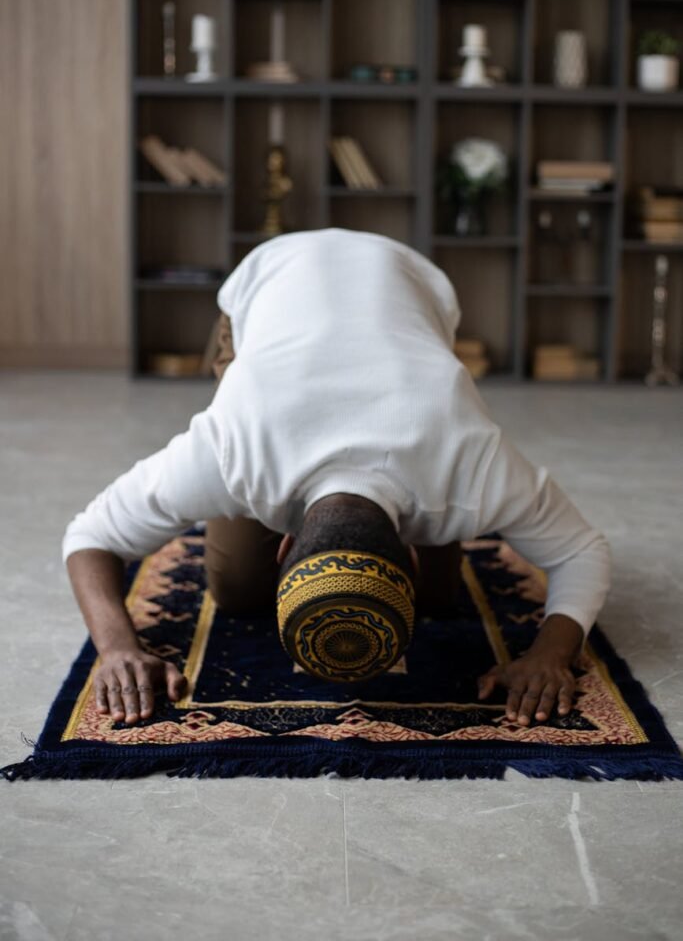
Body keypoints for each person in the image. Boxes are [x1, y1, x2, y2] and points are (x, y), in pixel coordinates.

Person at [63, 228, 610, 730]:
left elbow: (583, 550)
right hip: (267, 279)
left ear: (284, 548)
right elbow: (89, 538)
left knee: (440, 597)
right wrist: (115, 647)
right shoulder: (230, 448)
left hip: (411, 285)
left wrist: (548, 656)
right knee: (236, 588)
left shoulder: (472, 458)